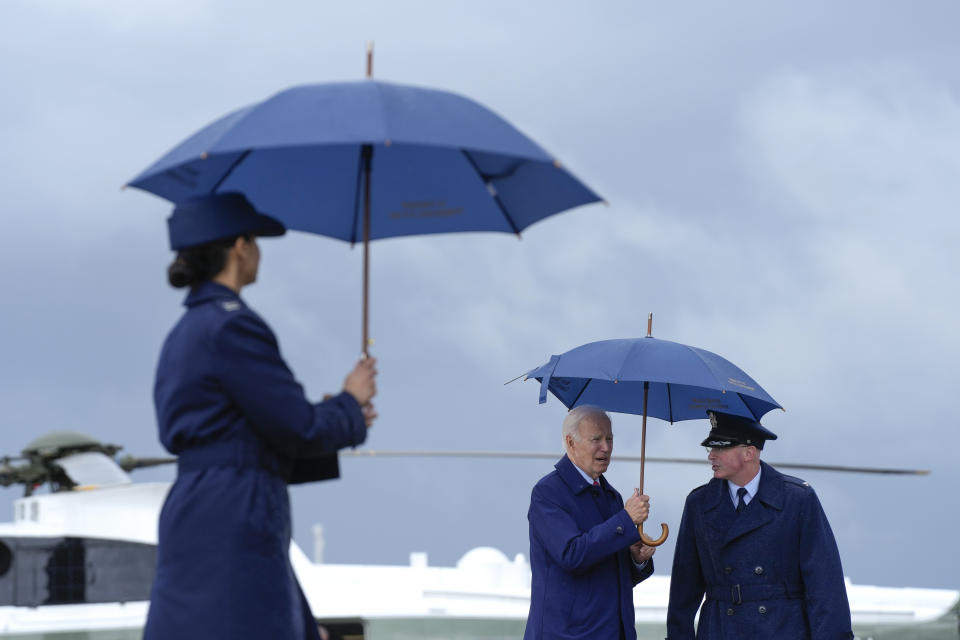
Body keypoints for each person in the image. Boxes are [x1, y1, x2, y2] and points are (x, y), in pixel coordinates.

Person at [143, 192, 377, 640]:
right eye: (255, 240)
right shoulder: (233, 325)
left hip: (198, 505)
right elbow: (298, 427)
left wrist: (337, 412)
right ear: (239, 247)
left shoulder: (184, 332)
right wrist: (350, 402)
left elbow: (247, 433)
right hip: (237, 509)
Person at [666, 411, 853, 639]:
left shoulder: (797, 499)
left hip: (781, 629)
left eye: (720, 448)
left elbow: (825, 586)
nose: (711, 456)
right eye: (710, 448)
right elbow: (684, 589)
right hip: (720, 629)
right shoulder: (699, 503)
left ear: (749, 452)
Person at [524, 406, 656, 640]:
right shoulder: (548, 493)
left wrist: (636, 560)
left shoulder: (611, 496)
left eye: (609, 439)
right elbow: (572, 555)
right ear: (570, 442)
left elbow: (610, 579)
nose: (605, 448)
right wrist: (625, 519)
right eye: (596, 439)